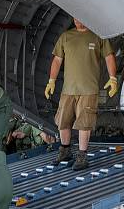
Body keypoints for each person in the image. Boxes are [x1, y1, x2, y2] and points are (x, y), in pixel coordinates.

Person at [45, 18, 118, 170]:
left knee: (84, 123)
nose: (79, 21)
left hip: (88, 90)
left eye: (82, 17)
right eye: (76, 18)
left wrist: (113, 78)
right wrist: (51, 80)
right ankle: (65, 150)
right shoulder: (66, 36)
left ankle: (82, 156)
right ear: (72, 18)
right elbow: (57, 60)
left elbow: (109, 56)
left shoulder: (98, 36)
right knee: (62, 121)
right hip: (68, 90)